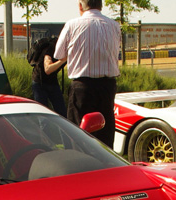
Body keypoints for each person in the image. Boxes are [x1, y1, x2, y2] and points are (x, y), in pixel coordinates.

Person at [45, 0, 120, 148]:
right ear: (101, 5)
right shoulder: (114, 25)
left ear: (80, 5)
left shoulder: (72, 25)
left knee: (78, 134)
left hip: (82, 86)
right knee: (105, 132)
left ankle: (81, 165)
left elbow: (59, 53)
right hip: (107, 86)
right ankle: (106, 166)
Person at [28, 36, 67, 117]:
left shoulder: (62, 49)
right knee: (43, 115)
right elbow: (48, 69)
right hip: (39, 82)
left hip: (52, 81)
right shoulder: (51, 48)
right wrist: (63, 60)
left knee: (62, 113)